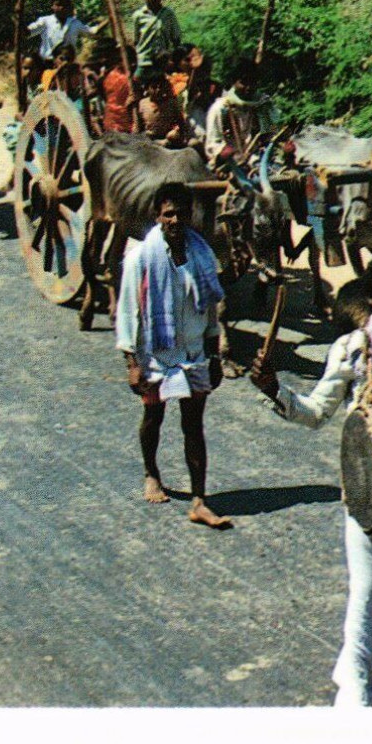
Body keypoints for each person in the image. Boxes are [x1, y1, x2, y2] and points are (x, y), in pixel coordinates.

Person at [250, 253, 372, 706]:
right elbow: (317, 411)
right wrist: (274, 391)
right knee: (370, 590)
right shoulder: (351, 349)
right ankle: (355, 680)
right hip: (369, 490)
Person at [115, 183, 232, 531]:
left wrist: (214, 355)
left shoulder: (202, 254)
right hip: (156, 354)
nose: (175, 220)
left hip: (193, 351)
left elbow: (211, 308)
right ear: (158, 216)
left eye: (181, 213)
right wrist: (132, 362)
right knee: (154, 416)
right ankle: (152, 472)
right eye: (168, 214)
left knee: (194, 424)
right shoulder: (140, 257)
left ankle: (199, 499)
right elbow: (127, 310)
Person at [203, 59, 273, 170]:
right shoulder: (220, 108)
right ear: (233, 82)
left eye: (253, 82)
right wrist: (223, 152)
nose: (249, 87)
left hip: (258, 164)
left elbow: (270, 135)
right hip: (228, 166)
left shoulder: (262, 106)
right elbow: (212, 144)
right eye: (244, 82)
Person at [26, 0, 94, 86]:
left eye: (64, 5)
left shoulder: (75, 23)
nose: (61, 8)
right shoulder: (45, 21)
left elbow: (91, 32)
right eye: (58, 5)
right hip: (46, 65)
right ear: (52, 6)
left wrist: (107, 21)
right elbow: (30, 31)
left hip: (68, 66)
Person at [130, 0, 182, 80]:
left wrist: (176, 60)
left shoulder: (168, 14)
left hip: (162, 63)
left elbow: (176, 39)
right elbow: (136, 41)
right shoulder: (139, 16)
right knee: (135, 85)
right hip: (144, 62)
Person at [139, 72, 192, 147]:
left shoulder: (171, 103)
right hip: (149, 140)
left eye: (160, 87)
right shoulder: (142, 103)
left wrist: (176, 130)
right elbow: (138, 126)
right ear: (147, 89)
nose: (158, 90)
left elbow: (181, 123)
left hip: (167, 138)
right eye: (154, 87)